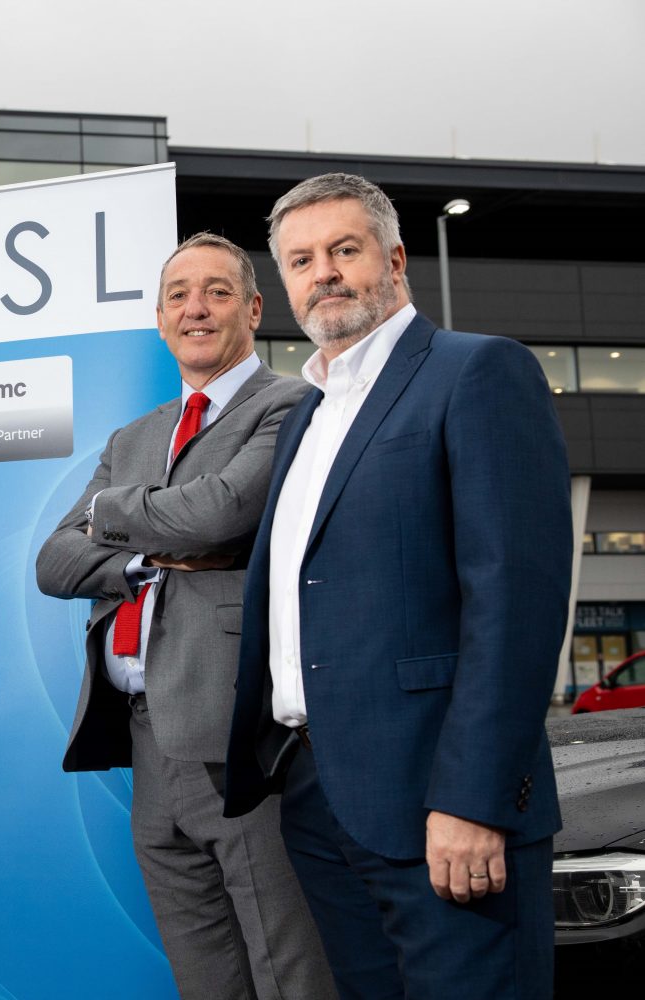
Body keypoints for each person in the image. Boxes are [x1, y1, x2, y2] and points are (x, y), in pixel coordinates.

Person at [223, 173, 572, 998]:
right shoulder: (305, 412)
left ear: (396, 258)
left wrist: (474, 800)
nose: (326, 273)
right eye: (302, 260)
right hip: (318, 797)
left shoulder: (478, 372)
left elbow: (514, 606)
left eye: (345, 249)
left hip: (439, 804)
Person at [36, 233, 335, 1000]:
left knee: (284, 959)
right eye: (178, 295)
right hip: (143, 734)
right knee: (201, 966)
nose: (195, 308)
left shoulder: (291, 405)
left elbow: (221, 511)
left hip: (233, 726)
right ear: (160, 319)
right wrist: (143, 557)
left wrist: (108, 512)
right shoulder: (133, 437)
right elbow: (53, 563)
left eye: (217, 292)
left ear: (254, 309)